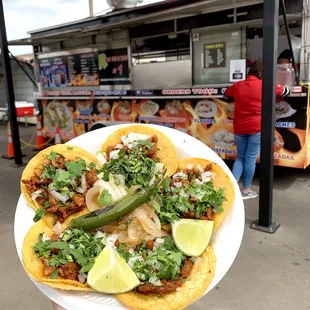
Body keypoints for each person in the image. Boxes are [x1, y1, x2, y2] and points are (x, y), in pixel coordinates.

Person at [225, 60, 290, 199]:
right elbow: (285, 90)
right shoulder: (266, 85)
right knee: (250, 158)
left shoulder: (238, 85)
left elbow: (226, 93)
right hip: (256, 127)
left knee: (240, 157)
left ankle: (232, 189)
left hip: (239, 127)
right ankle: (246, 190)